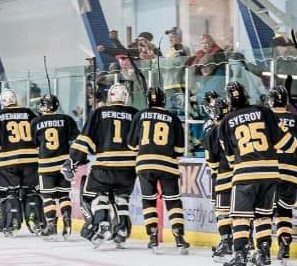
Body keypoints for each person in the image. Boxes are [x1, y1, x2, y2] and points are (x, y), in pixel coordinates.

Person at [218, 81, 297, 266]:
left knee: (241, 217)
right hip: (270, 172)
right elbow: (285, 142)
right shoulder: (264, 111)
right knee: (263, 216)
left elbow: (230, 159)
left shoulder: (226, 121)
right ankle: (263, 255)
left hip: (245, 172)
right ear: (246, 95)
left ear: (229, 100)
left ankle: (240, 257)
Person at [66, 84, 139, 248]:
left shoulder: (99, 112)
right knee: (122, 198)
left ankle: (102, 222)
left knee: (98, 194)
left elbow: (85, 139)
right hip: (129, 167)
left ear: (109, 97)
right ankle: (122, 230)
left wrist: (74, 159)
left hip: (105, 164)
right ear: (126, 97)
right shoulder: (135, 113)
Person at [126, 87, 189, 254]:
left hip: (145, 164)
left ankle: (153, 237)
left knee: (149, 201)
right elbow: (180, 149)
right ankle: (179, 237)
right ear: (164, 100)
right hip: (167, 165)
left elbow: (131, 144)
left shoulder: (139, 115)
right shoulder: (173, 117)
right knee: (173, 201)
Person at [0, 89, 41, 237]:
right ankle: (35, 220)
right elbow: (40, 135)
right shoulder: (29, 113)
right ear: (15, 99)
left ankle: (13, 222)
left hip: (8, 163)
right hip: (31, 161)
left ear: (2, 102)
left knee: (10, 192)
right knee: (31, 191)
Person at [267, 85, 297, 266]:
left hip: (272, 170)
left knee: (265, 211)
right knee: (284, 210)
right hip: (293, 171)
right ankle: (284, 240)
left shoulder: (266, 118)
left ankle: (262, 248)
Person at [31, 95, 79, 240]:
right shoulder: (67, 119)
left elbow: (34, 144)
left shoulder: (36, 122)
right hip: (64, 164)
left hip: (46, 165)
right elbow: (76, 139)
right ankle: (67, 223)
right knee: (64, 195)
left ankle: (51, 227)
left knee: (48, 197)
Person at [202, 92, 235, 262]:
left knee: (222, 211)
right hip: (241, 175)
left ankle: (226, 242)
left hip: (222, 176)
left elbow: (211, 161)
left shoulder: (212, 131)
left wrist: (216, 171)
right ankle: (246, 244)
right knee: (242, 213)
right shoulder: (237, 125)